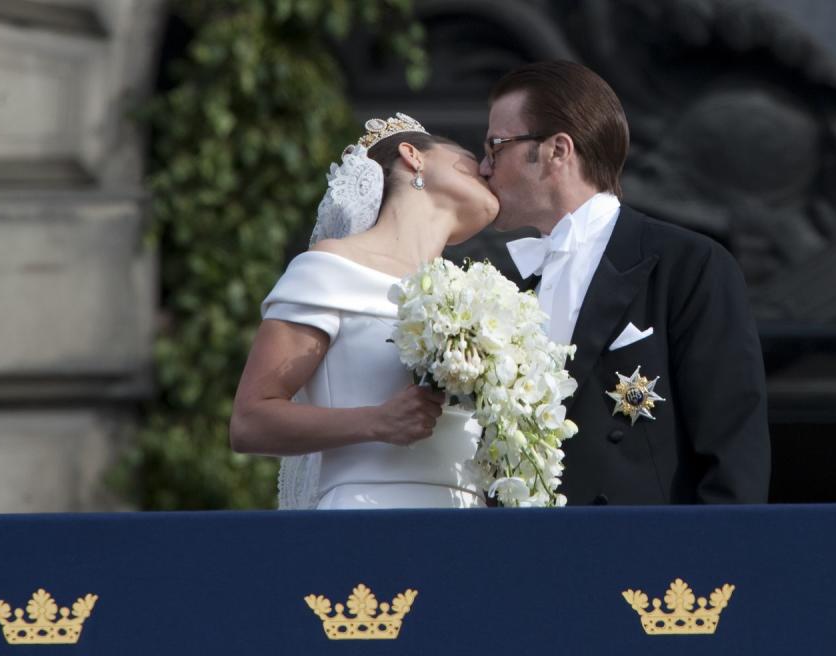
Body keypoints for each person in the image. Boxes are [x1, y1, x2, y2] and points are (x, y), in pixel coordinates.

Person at [479, 61, 771, 504]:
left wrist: (714, 563)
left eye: (495, 146)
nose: (484, 168)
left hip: (647, 560)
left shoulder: (689, 264)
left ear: (558, 151)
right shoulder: (503, 284)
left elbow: (734, 448)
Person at [230, 113, 498, 509]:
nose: (488, 168)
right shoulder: (330, 267)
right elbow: (250, 421)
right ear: (413, 156)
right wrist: (376, 421)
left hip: (464, 521)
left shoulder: (478, 298)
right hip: (367, 513)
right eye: (471, 156)